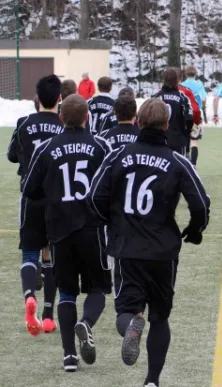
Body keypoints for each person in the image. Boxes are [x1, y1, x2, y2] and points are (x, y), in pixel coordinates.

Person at [88, 98, 211, 387]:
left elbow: (94, 197)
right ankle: (152, 380)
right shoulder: (177, 161)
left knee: (125, 310)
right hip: (163, 251)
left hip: (127, 248)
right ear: (167, 125)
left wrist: (113, 221)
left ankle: (131, 324)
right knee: (160, 316)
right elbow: (201, 204)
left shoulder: (117, 156)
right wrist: (194, 230)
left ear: (139, 123)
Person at [22, 94, 112, 372]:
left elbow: (30, 189)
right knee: (97, 288)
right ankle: (85, 323)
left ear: (61, 117)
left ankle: (69, 356)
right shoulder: (100, 145)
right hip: (93, 229)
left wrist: (53, 195)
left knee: (67, 293)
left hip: (59, 230)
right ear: (87, 117)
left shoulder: (48, 148)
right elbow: (113, 185)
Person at [7, 75, 64, 336]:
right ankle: (49, 315)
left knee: (29, 254)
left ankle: (30, 295)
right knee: (50, 254)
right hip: (57, 199)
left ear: (37, 99)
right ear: (60, 99)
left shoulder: (23, 123)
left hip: (30, 197)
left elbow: (11, 155)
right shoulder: (65, 126)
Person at [152, 67, 194, 155]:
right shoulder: (183, 98)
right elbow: (189, 118)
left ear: (163, 80)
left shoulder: (155, 98)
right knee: (179, 166)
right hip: (177, 141)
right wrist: (186, 135)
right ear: (177, 81)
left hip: (158, 139)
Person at [181, 66, 208, 166]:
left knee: (184, 139)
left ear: (185, 74)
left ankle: (184, 163)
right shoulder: (199, 85)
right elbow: (204, 98)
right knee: (194, 140)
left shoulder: (181, 85)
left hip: (184, 115)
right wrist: (203, 107)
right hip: (195, 114)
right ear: (196, 74)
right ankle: (194, 164)